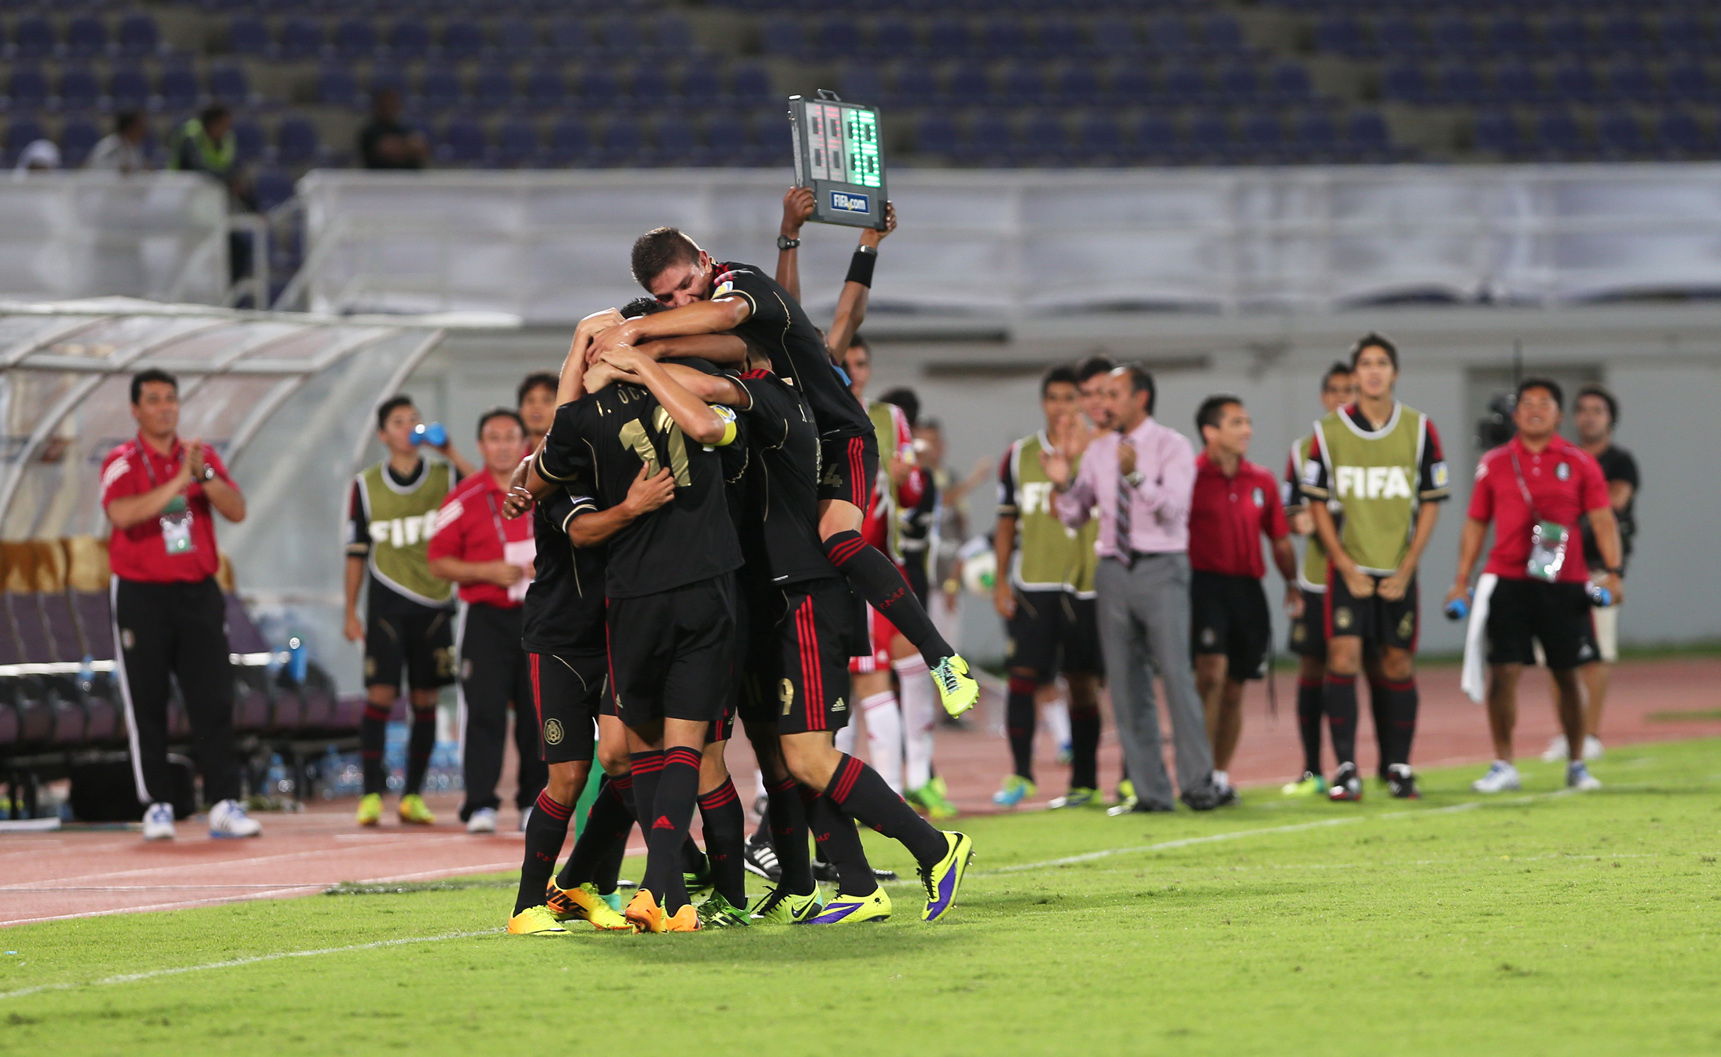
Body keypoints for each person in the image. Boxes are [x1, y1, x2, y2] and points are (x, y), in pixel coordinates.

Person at [590, 345, 977, 926]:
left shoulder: (772, 398)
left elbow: (720, 389)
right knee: (779, 759)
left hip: (803, 596)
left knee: (807, 756)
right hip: (752, 600)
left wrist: (631, 357)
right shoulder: (744, 404)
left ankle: (934, 847)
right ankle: (840, 882)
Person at [586, 225, 981, 719]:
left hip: (838, 437)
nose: (679, 301)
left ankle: (941, 657)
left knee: (837, 540)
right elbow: (720, 347)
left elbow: (735, 315)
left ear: (705, 261)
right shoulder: (711, 330)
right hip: (782, 450)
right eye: (664, 298)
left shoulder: (741, 284)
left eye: (685, 285)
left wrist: (633, 333)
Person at [524, 345, 742, 933]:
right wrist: (631, 505)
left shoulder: (597, 428)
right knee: (583, 772)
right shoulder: (564, 460)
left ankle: (635, 884)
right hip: (572, 636)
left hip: (633, 613)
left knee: (651, 754)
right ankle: (533, 902)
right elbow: (569, 511)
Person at [506, 461, 671, 935]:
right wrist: (634, 506)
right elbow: (582, 532)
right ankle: (527, 904)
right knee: (569, 776)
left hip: (617, 636)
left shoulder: (626, 469)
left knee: (621, 757)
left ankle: (582, 884)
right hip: (559, 642)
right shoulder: (559, 472)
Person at [1049, 365, 1222, 814]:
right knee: (1126, 686)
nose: (1104, 402)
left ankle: (1199, 784)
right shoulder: (1100, 449)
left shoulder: (1172, 445)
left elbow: (1175, 512)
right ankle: (1150, 792)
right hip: (1113, 570)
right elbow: (1073, 515)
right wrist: (1063, 479)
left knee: (1176, 678)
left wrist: (1137, 479)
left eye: (1114, 393)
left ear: (1141, 398)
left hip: (1161, 567)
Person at [101, 369, 259, 840]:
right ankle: (157, 805)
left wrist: (203, 474)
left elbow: (236, 509)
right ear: (136, 409)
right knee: (147, 700)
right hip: (141, 592)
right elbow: (121, 513)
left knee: (213, 698)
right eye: (154, 400)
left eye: (171, 399)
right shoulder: (121, 460)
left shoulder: (201, 456)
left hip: (197, 591)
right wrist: (177, 482)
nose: (166, 407)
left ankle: (224, 803)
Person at [1447, 379, 1621, 794]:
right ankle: (1503, 762)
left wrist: (1613, 571)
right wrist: (1461, 580)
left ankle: (1577, 761)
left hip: (1565, 582)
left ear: (1559, 415)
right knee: (1503, 671)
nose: (1535, 410)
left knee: (1565, 672)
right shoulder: (1495, 462)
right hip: (1507, 578)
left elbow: (1601, 519)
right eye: (1527, 403)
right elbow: (1475, 523)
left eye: (1545, 403)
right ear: (1515, 414)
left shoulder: (1579, 462)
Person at [1299, 334, 1448, 801]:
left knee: (1397, 663)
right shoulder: (1328, 432)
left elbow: (1430, 502)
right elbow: (1317, 505)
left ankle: (1399, 766)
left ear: (1395, 372)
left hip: (1397, 569)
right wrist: (1342, 563)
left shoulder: (1420, 429)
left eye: (1382, 362)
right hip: (1349, 570)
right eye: (1366, 363)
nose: (1374, 371)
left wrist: (1408, 565)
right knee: (1341, 658)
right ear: (1355, 373)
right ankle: (1346, 768)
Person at [343, 395, 469, 828]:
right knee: (380, 695)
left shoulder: (444, 473)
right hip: (386, 605)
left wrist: (449, 449)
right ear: (383, 434)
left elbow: (490, 490)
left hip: (434, 604)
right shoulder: (365, 485)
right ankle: (371, 794)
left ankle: (412, 794)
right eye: (399, 421)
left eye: (414, 419)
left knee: (426, 699)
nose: (409, 427)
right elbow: (355, 552)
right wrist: (349, 610)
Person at [992, 365, 1106, 810]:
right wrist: (1002, 580)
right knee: (1022, 678)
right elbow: (1006, 522)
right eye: (1054, 398)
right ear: (1044, 403)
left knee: (1082, 682)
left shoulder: (1100, 451)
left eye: (1070, 399)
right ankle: (1021, 773)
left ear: (1082, 403)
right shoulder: (1019, 456)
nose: (1062, 407)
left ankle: (1085, 779)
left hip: (1087, 585)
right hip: (1034, 583)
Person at [427, 410, 543, 835]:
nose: (502, 446)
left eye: (510, 437)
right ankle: (480, 804)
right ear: (480, 445)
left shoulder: (544, 483)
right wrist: (487, 571)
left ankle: (534, 801)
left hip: (539, 615)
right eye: (493, 438)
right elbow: (437, 561)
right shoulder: (464, 498)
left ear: (522, 442)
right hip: (486, 620)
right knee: (484, 712)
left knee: (538, 711)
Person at [1188, 396, 1300, 803]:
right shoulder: (1189, 477)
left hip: (1247, 591)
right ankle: (1195, 770)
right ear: (1211, 431)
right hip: (1203, 587)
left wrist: (1292, 582)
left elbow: (1280, 539)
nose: (1247, 430)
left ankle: (1218, 774)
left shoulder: (1262, 480)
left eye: (1248, 422)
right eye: (1237, 422)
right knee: (1209, 674)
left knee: (1235, 687)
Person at [1541, 384, 1637, 764]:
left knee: (1596, 655)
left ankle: (1592, 734)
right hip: (1555, 562)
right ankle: (1568, 732)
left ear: (1610, 418)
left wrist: (1569, 498)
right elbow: (1543, 509)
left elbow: (1612, 502)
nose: (1589, 416)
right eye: (1582, 409)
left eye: (1597, 409)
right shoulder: (1555, 457)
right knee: (1553, 654)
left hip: (1596, 566)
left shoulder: (1619, 461)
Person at [1280, 362, 1363, 796]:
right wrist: (1300, 523)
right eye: (1333, 390)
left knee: (1376, 666)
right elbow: (1291, 508)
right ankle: (1312, 769)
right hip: (1318, 577)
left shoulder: (1378, 445)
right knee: (1313, 664)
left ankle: (1389, 766)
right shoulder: (1303, 449)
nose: (1341, 397)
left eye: (1349, 389)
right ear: (1322, 396)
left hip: (1368, 573)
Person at [358, 88, 429, 170]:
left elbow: (421, 149)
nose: (390, 107)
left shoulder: (405, 128)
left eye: (393, 103)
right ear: (378, 106)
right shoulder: (370, 131)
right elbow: (387, 150)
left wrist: (400, 146)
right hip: (379, 179)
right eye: (386, 104)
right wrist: (408, 147)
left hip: (410, 179)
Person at [86, 111, 150, 173]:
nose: (143, 131)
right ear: (130, 127)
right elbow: (95, 169)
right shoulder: (109, 146)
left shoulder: (134, 147)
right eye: (140, 127)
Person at [516, 372, 558, 451]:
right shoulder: (511, 458)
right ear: (520, 410)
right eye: (530, 400)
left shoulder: (575, 455)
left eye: (546, 400)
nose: (536, 407)